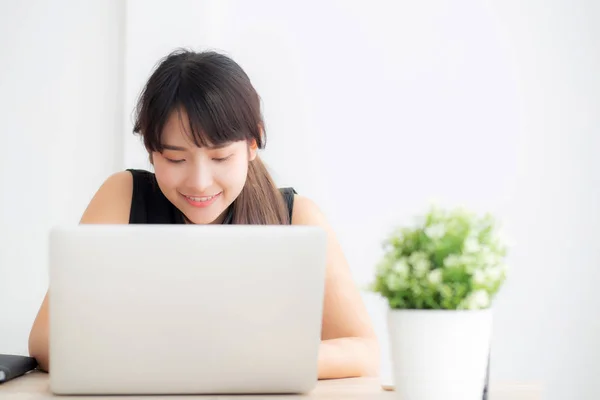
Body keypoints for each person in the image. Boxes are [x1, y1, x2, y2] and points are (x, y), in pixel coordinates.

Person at [28, 49, 380, 379]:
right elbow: (47, 340)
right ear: (151, 152)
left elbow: (364, 350)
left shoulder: (296, 216)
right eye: (175, 159)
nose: (199, 183)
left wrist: (254, 360)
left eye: (220, 158)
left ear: (253, 143)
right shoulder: (122, 197)